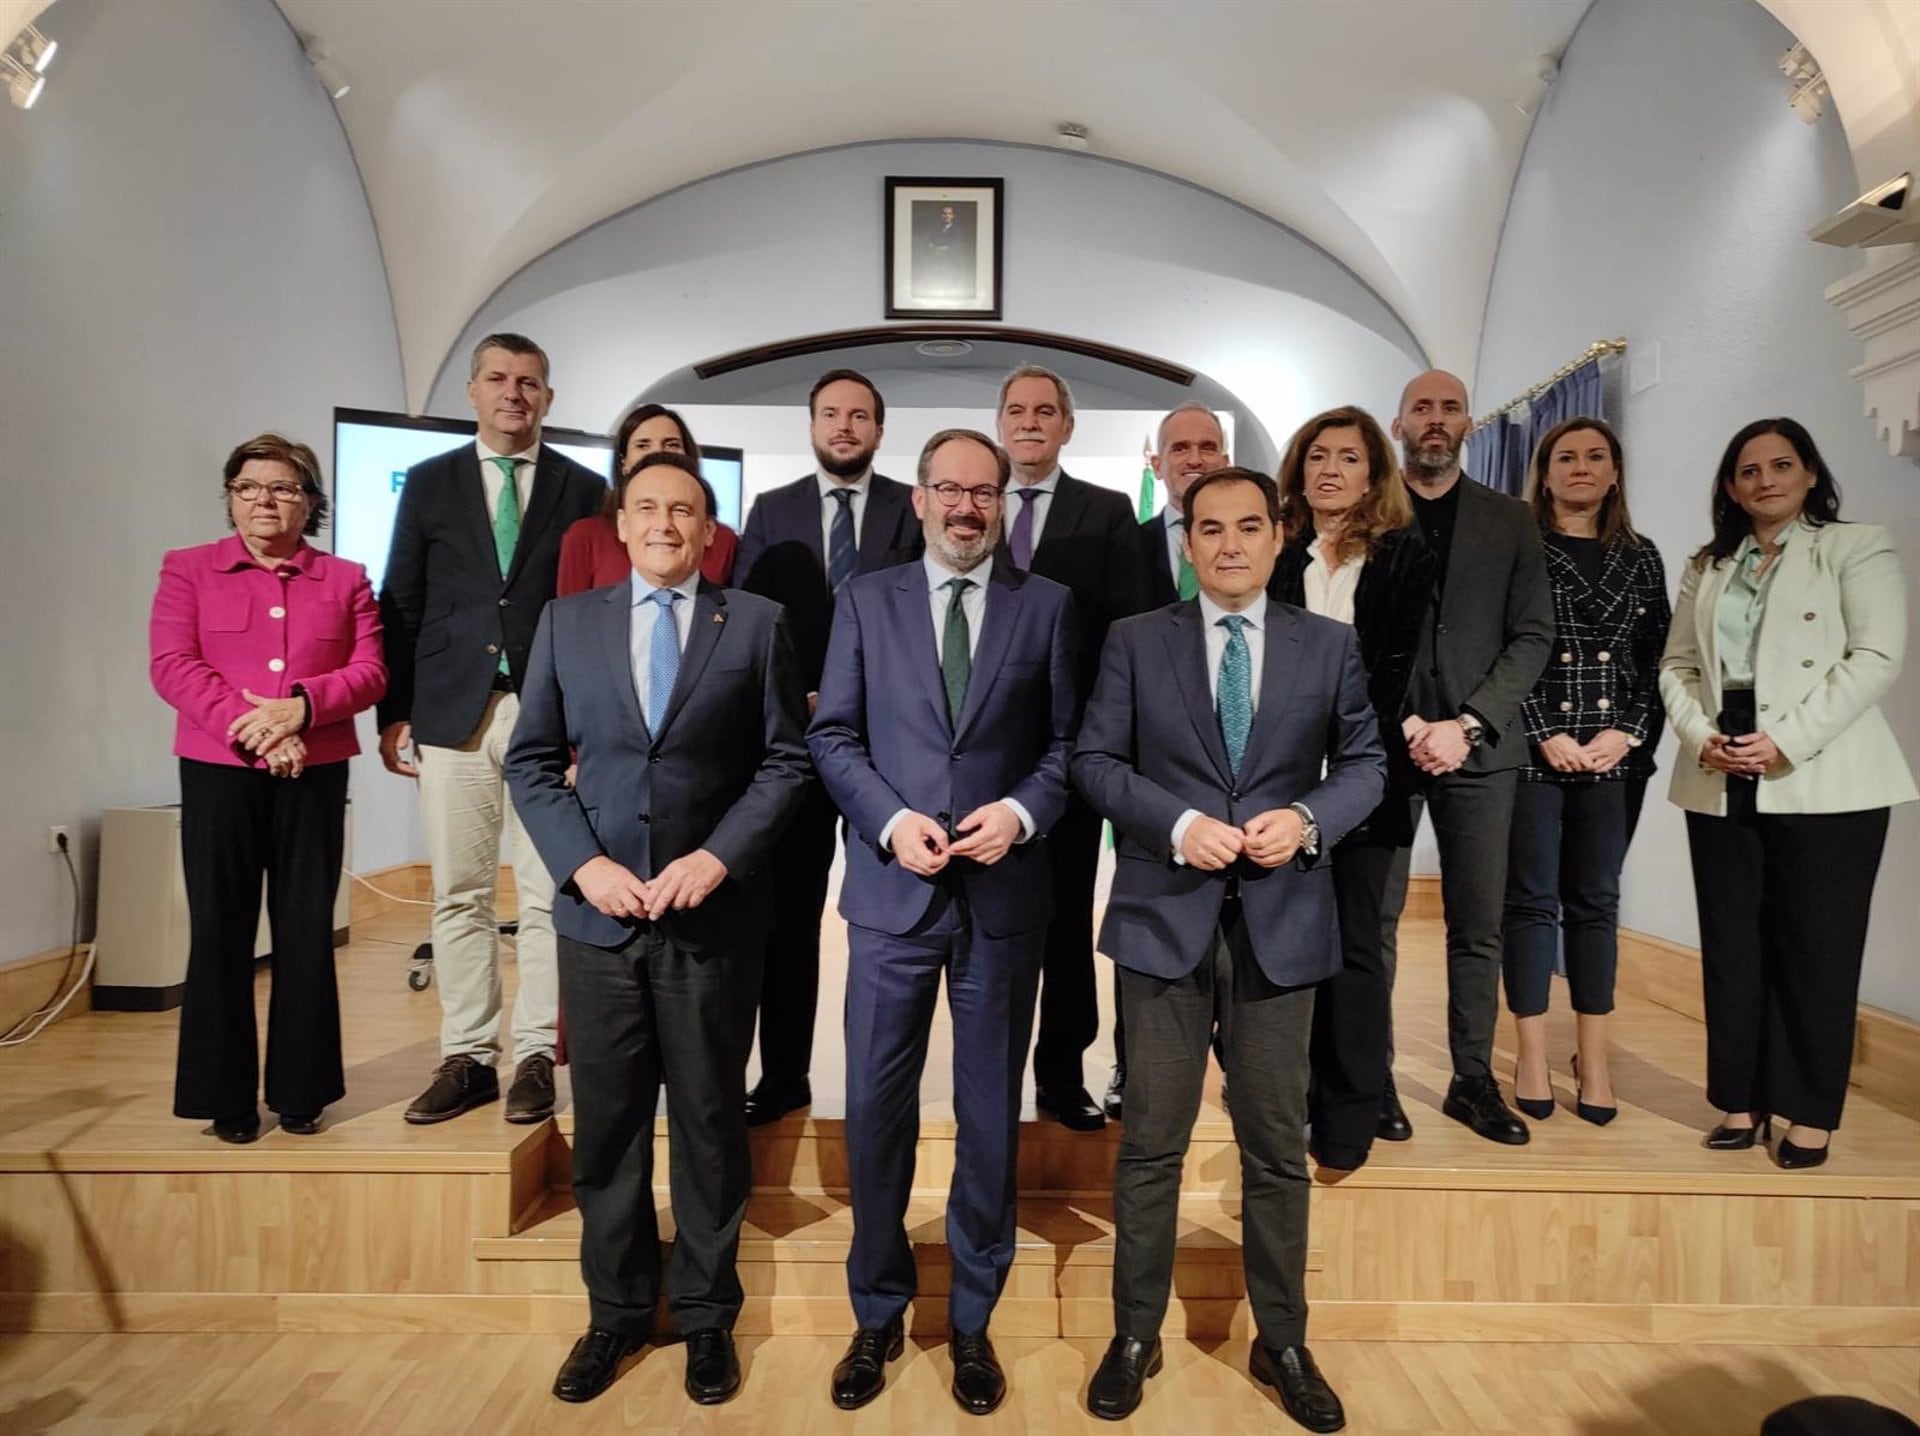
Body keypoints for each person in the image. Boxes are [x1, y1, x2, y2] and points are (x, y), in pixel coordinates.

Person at [1073, 466, 1384, 1431]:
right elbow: (1094, 761)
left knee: (1275, 1149)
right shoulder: (1135, 641)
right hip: (1164, 922)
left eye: (1251, 526)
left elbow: (1368, 763)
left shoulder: (1328, 644)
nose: (1232, 545)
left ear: (1280, 534)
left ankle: (1282, 1337)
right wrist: (1173, 826)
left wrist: (1305, 817)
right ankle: (1135, 1333)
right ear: (1188, 541)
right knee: (1152, 1145)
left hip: (1282, 928)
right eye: (1211, 528)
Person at [506, 450, 810, 1406]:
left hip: (712, 916)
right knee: (608, 1128)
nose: (667, 526)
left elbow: (785, 763)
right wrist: (584, 865)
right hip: (599, 921)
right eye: (648, 509)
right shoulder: (568, 623)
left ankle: (709, 1316)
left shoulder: (757, 623)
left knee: (714, 1123)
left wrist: (716, 858)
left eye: (685, 511)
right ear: (622, 525)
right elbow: (531, 762)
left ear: (709, 530)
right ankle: (617, 1314)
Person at [809, 429, 1076, 1418]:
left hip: (1004, 904)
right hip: (893, 899)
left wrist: (1018, 813)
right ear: (917, 499)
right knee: (877, 1115)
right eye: (949, 489)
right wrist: (888, 818)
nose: (967, 506)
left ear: (1003, 503)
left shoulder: (1046, 606)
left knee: (987, 1121)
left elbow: (1065, 743)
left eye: (984, 492)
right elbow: (831, 734)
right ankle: (877, 1309)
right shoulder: (864, 601)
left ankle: (972, 1316)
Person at [1660, 418, 1914, 1169]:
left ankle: (1808, 1111)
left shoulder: (1853, 547)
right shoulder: (1707, 563)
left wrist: (1789, 740)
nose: (1764, 479)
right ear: (1731, 487)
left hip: (1824, 771)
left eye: (1781, 464)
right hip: (1720, 763)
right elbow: (1677, 663)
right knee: (1733, 945)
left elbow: (1876, 655)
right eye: (1748, 470)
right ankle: (1741, 1100)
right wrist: (1698, 733)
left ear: (1809, 474)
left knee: (1818, 947)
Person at [378, 333, 606, 1125]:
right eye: (500, 379)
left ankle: (536, 1054)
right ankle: (469, 1056)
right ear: (473, 391)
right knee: (459, 893)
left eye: (531, 382)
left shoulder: (585, 489)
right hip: (452, 713)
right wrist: (395, 711)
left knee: (547, 895)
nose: (515, 393)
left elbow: (595, 607)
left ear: (548, 397)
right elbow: (401, 599)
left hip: (551, 713)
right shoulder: (433, 484)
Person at [149, 434, 385, 1142]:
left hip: (314, 775)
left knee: (306, 930)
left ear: (310, 502)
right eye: (249, 487)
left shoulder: (345, 578)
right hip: (220, 771)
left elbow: (371, 671)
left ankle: (302, 1090)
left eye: (283, 488)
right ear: (229, 496)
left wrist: (302, 711)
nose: (264, 501)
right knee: (220, 930)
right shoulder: (187, 569)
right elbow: (172, 664)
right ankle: (223, 1096)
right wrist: (256, 727)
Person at [733, 369, 923, 1126]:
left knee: (890, 920)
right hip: (798, 742)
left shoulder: (910, 507)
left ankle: (881, 1086)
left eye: (859, 416)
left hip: (893, 746)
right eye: (830, 414)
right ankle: (784, 1074)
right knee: (790, 918)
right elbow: (747, 616)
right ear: (811, 425)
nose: (844, 426)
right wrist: (796, 698)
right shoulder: (771, 509)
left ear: (880, 429)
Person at [1377, 369, 1553, 1146]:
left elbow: (1534, 634)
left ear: (1470, 424)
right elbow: (1351, 632)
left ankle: (1472, 1079)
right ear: (1399, 424)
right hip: (1385, 745)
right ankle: (1370, 1078)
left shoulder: (1511, 520)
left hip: (1481, 750)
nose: (1436, 420)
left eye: (1449, 408)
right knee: (1373, 921)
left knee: (1477, 923)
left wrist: (1470, 721)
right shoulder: (1371, 514)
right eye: (1423, 408)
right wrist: (1409, 717)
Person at [1269, 407, 1435, 1170]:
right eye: (1317, 457)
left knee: (1360, 948)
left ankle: (1352, 1113)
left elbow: (1396, 673)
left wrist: (1348, 758)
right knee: (1288, 945)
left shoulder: (1406, 555)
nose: (1331, 469)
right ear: (1299, 470)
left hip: (1367, 780)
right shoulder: (1273, 553)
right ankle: (1289, 1096)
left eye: (1349, 458)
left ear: (1375, 473)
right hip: (1277, 782)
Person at [1503, 418, 1669, 1127]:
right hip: (1534, 752)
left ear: (1615, 471)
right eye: (1564, 457)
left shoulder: (1643, 554)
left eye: (1594, 456)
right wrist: (1546, 732)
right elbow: (1506, 648)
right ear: (1543, 473)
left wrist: (1625, 733)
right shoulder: (1519, 546)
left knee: (1597, 902)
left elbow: (1658, 656)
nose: (1580, 467)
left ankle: (1593, 1058)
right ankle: (1532, 1052)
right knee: (1532, 901)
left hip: (1612, 757)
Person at [994, 363, 1142, 1131]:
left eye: (1044, 411)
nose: (1029, 422)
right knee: (991, 925)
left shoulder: (1107, 513)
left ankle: (1060, 1074)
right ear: (1000, 423)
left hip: (1070, 752)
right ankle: (990, 1074)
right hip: (983, 756)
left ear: (1066, 426)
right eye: (1016, 410)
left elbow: (1127, 636)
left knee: (1063, 921)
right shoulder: (973, 506)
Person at [1105, 403, 1236, 1121]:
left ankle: (1240, 1067)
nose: (1193, 458)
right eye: (1178, 448)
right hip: (1152, 784)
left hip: (1246, 771)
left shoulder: (1255, 545)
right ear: (1156, 464)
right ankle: (1135, 1066)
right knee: (1147, 931)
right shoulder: (1119, 544)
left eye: (1206, 446)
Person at [555, 403, 738, 595]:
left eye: (671, 444)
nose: (659, 453)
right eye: (643, 445)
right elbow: (570, 617)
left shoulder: (724, 541)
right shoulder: (585, 536)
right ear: (623, 461)